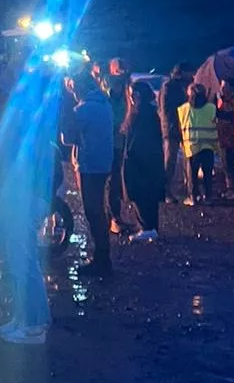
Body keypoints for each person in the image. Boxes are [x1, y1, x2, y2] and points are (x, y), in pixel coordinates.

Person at [62, 70, 115, 273]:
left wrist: (68, 110)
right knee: (98, 208)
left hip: (89, 164)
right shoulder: (104, 104)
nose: (72, 93)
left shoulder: (84, 109)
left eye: (72, 88)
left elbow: (67, 137)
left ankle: (101, 259)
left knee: (93, 211)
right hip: (103, 163)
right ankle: (102, 255)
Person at [121, 80, 165, 239]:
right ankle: (150, 226)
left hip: (140, 161)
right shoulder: (150, 113)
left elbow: (138, 140)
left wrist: (130, 156)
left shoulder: (140, 114)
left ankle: (147, 227)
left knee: (141, 194)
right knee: (149, 195)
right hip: (150, 161)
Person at [179, 82, 219, 205]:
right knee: (207, 173)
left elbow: (180, 126)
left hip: (192, 146)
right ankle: (208, 197)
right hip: (208, 145)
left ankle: (193, 197)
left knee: (192, 173)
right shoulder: (211, 108)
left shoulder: (183, 109)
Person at [159, 66, 192, 201]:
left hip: (180, 126)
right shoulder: (170, 87)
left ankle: (188, 189)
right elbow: (167, 110)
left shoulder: (177, 86)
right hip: (173, 127)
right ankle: (166, 191)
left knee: (186, 159)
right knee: (170, 160)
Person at [104, 58, 129, 232]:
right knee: (111, 181)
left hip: (121, 142)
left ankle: (115, 216)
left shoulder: (126, 90)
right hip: (108, 142)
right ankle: (112, 218)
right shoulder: (107, 93)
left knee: (117, 180)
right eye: (120, 69)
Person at [216, 80, 234, 197]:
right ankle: (230, 187)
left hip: (233, 138)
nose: (222, 90)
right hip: (223, 138)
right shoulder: (219, 101)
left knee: (231, 164)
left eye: (225, 88)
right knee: (226, 164)